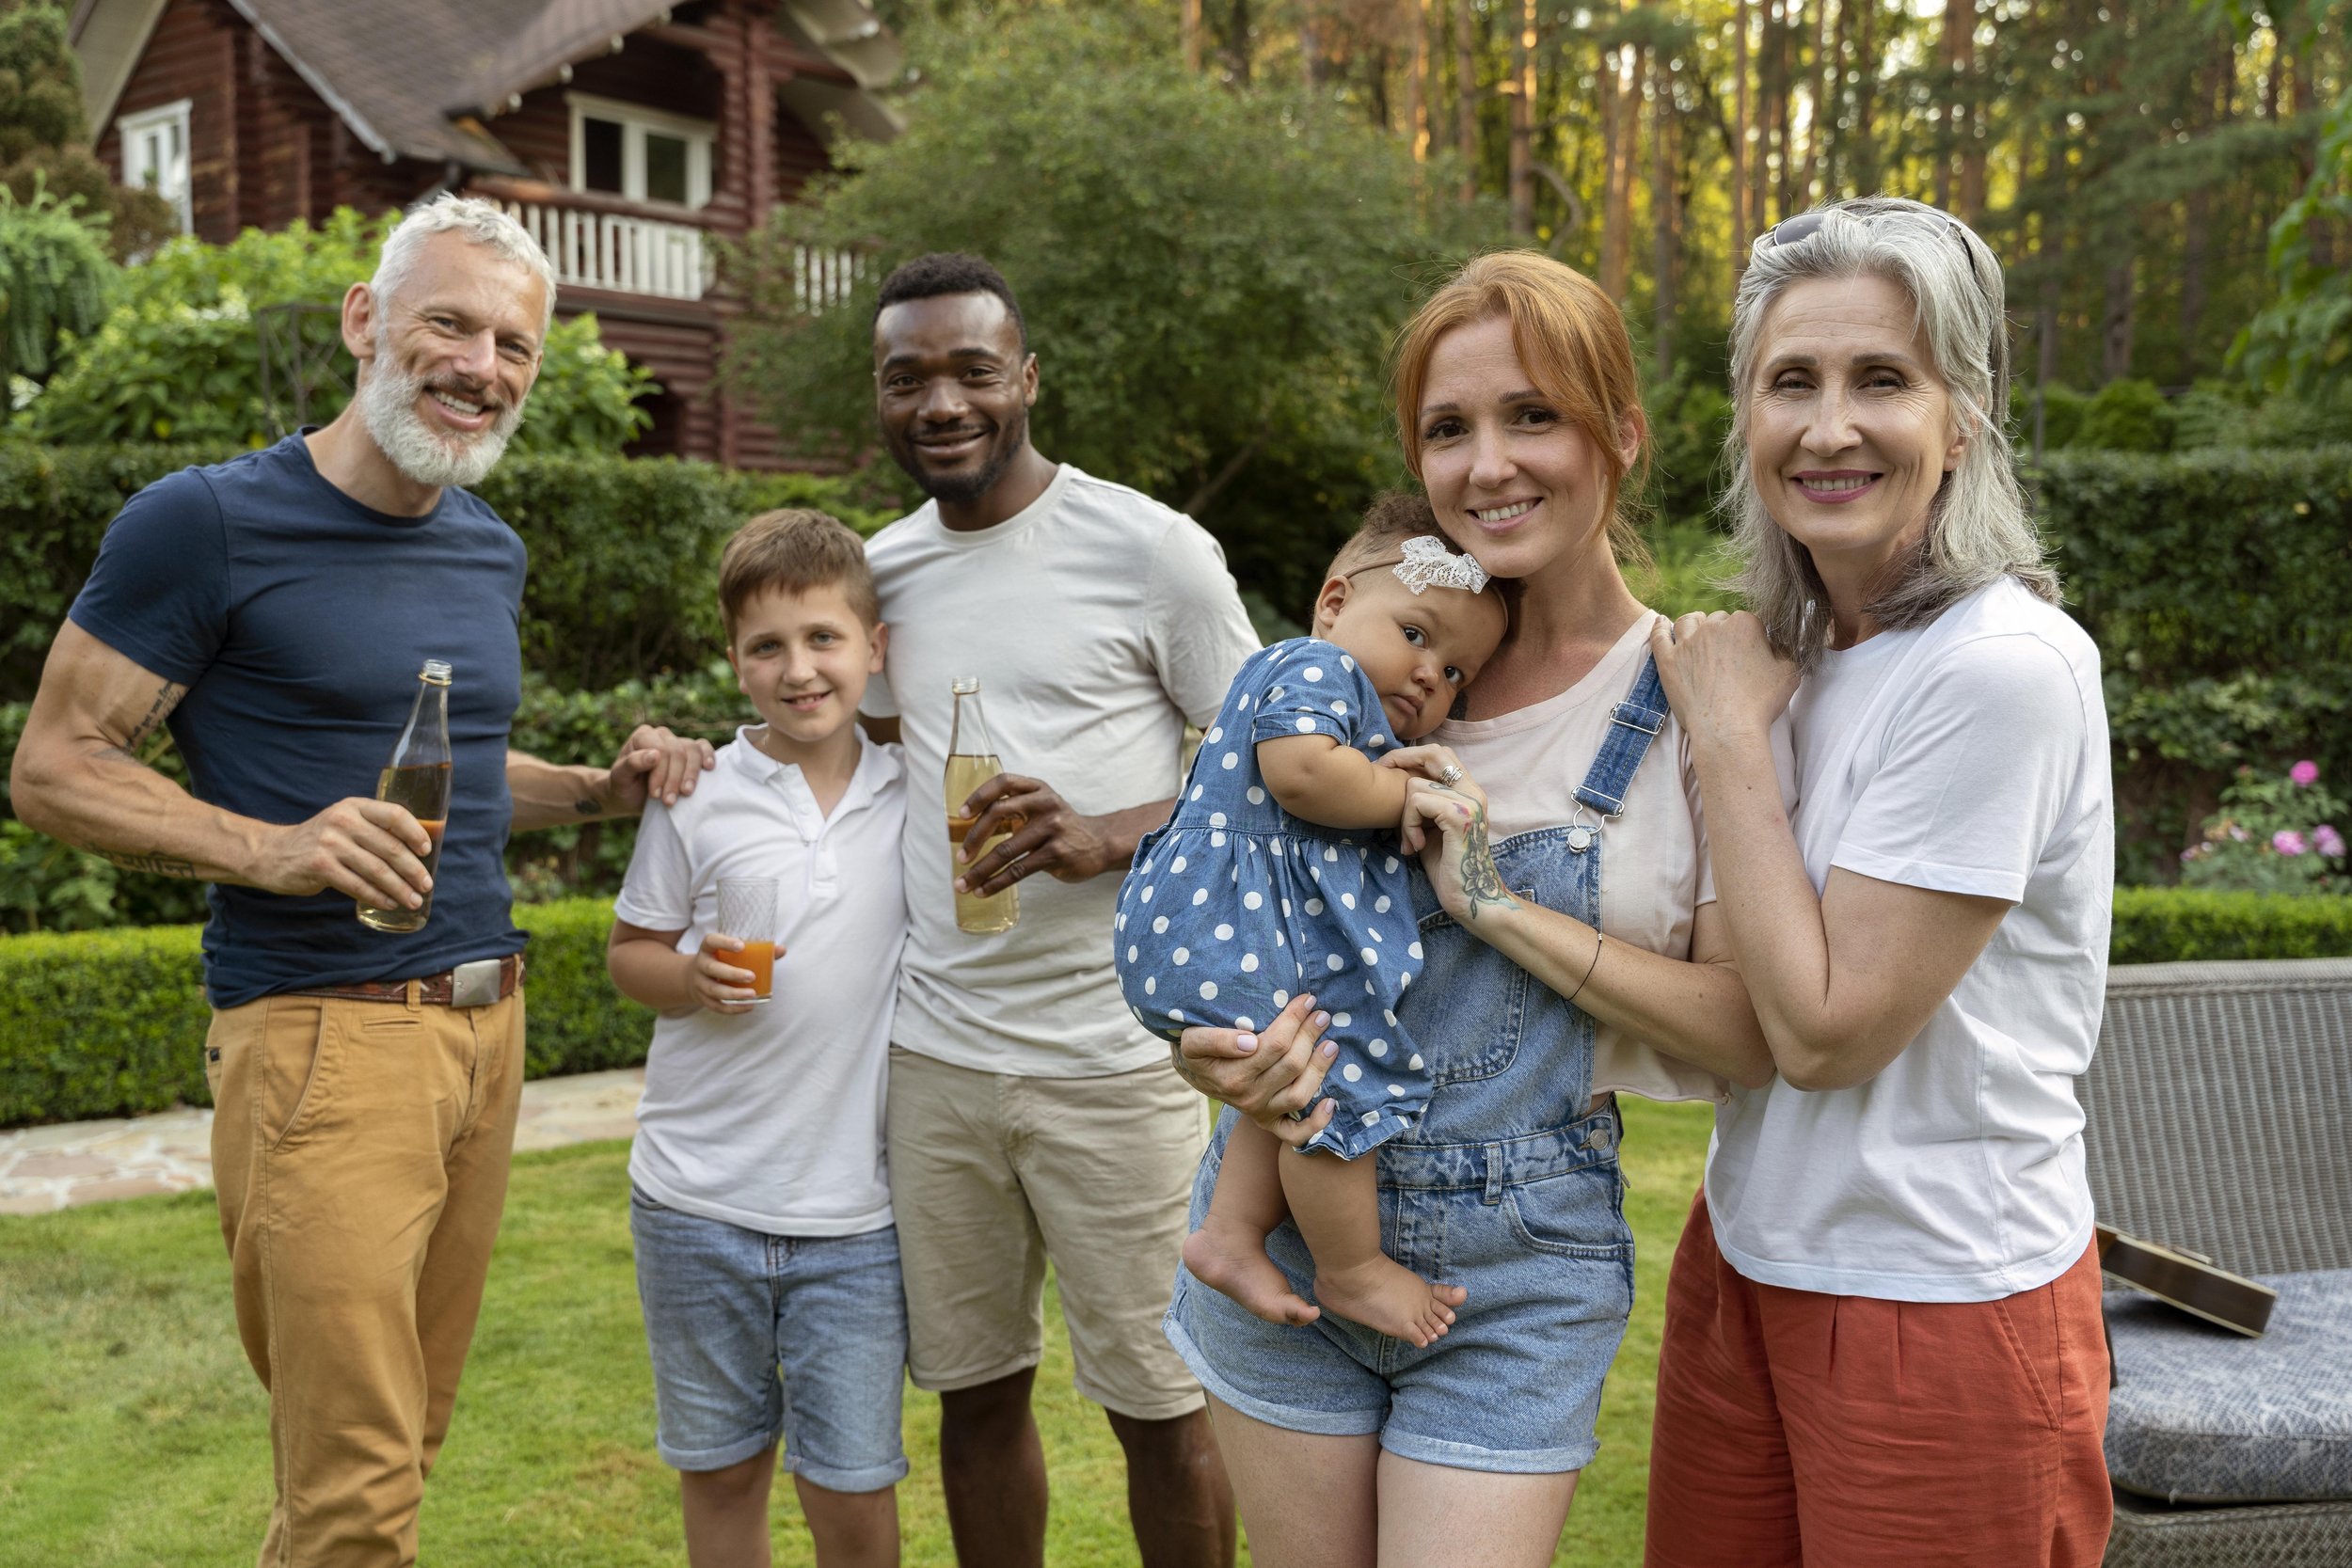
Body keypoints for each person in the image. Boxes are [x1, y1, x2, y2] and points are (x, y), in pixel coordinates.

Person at [8, 196, 713, 1568]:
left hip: (484, 1032)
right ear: (364, 319)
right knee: (355, 1489)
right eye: (449, 321)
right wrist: (271, 845)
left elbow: (443, 772)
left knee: (391, 1459)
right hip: (322, 1039)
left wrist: (598, 791)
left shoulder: (484, 541)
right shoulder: (203, 522)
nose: (481, 365)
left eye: (515, 344)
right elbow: (55, 765)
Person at [1164, 251, 1788, 1567]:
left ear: (1620, 431)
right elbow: (1226, 891)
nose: (1490, 462)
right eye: (1450, 428)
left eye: (1534, 413)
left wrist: (1492, 898)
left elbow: (1746, 1031)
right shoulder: (1363, 663)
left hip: (1518, 1264)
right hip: (1282, 1210)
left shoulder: (1701, 690)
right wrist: (1209, 1045)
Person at [1642, 198, 2115, 1568]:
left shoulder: (2000, 667)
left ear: (1961, 420)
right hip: (1745, 1251)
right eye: (1791, 380)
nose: (1829, 426)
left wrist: (1726, 742)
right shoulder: (1794, 657)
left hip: (1939, 1297)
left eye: (1882, 381)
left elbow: (1826, 1030)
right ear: (1746, 414)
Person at [851, 252, 1262, 1568]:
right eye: (906, 377)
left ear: (1026, 377)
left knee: (1162, 1398)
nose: (941, 401)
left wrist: (1112, 833)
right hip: (938, 1062)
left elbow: (1270, 759)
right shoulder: (878, 578)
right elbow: (853, 770)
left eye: (973, 369)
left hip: (1114, 1056)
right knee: (973, 1393)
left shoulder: (1152, 550)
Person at [1117, 496, 1508, 1348]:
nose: (1428, 675)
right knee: (1342, 1073)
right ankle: (1353, 1269)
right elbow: (1298, 774)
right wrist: (1409, 794)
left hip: (1233, 936)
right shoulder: (1313, 669)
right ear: (1335, 603)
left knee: (1293, 1075)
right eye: (1415, 633)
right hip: (1228, 932)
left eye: (1455, 674)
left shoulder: (1349, 714)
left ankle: (1227, 1233)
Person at [606, 510, 908, 1568]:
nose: (799, 668)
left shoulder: (915, 794)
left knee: (854, 1485)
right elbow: (629, 951)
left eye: (825, 638)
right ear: (734, 660)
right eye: (767, 646)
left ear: (877, 649)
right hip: (694, 1202)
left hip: (854, 1220)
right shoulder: (697, 793)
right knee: (724, 1469)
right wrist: (688, 976)